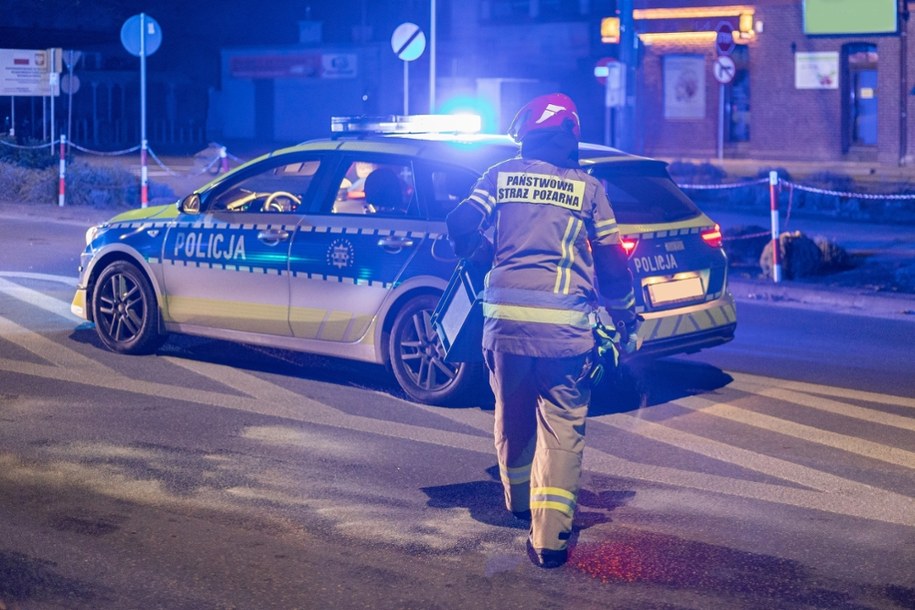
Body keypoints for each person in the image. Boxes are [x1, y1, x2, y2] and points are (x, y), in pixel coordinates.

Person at [445, 93, 636, 569]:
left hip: (505, 329)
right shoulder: (588, 189)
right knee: (563, 427)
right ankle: (549, 543)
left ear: (525, 136)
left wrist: (477, 252)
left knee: (512, 413)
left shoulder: (499, 177)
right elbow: (613, 266)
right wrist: (625, 312)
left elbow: (460, 221)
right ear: (570, 134)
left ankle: (516, 502)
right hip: (565, 335)